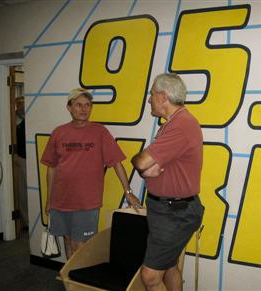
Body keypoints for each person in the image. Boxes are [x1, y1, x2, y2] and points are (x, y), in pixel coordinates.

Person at [41, 88, 141, 259]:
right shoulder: (58, 132)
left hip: (86, 201)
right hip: (61, 200)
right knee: (68, 239)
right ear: (69, 107)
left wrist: (128, 192)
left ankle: (78, 282)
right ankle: (69, 281)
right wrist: (49, 200)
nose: (84, 109)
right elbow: (52, 168)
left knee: (80, 245)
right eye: (79, 105)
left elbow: (116, 163)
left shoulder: (100, 132)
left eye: (87, 105)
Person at [131, 73, 204, 291]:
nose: (149, 99)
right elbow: (149, 169)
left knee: (151, 277)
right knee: (170, 266)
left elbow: (142, 162)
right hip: (166, 208)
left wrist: (139, 162)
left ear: (163, 96)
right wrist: (145, 170)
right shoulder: (174, 123)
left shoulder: (180, 125)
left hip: (174, 212)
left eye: (151, 94)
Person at [15, 96, 28, 230]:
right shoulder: (15, 119)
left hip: (29, 156)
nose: (22, 105)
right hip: (22, 157)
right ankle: (26, 220)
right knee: (23, 190)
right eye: (19, 103)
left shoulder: (30, 116)